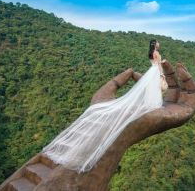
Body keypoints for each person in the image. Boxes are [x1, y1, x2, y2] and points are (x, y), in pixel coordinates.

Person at [41, 39, 166, 173]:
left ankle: (151, 103)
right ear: (155, 44)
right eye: (157, 43)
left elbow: (154, 63)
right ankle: (152, 104)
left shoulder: (150, 53)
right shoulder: (156, 53)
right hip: (154, 73)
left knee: (151, 89)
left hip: (149, 72)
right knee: (155, 88)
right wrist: (162, 74)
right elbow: (158, 65)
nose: (159, 44)